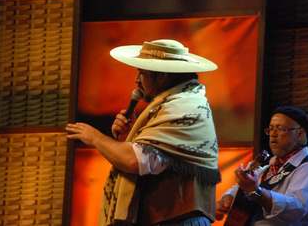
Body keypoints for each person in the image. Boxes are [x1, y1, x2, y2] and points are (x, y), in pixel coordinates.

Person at [66, 39, 221, 226]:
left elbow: (135, 160)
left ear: (162, 75)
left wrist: (95, 138)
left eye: (142, 73)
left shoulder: (183, 107)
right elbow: (157, 156)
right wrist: (129, 139)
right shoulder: (179, 103)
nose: (137, 80)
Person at [215, 106, 308, 226]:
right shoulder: (266, 169)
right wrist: (227, 199)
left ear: (300, 134)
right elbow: (239, 190)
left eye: (280, 129)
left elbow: (294, 209)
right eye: (270, 129)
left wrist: (256, 191)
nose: (273, 134)